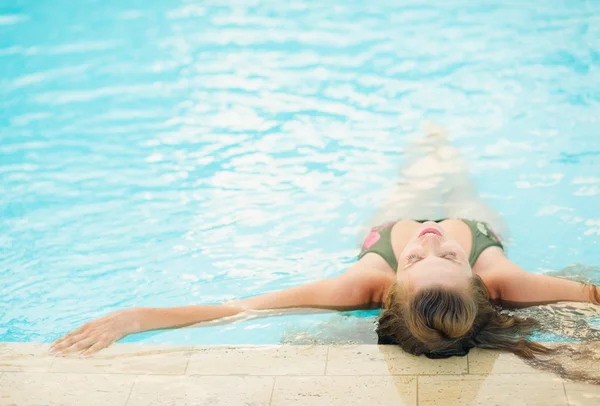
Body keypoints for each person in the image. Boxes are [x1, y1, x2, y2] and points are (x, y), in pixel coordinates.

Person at [50, 123, 600, 359]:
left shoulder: (363, 281)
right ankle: (439, 143)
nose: (431, 238)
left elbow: (237, 309)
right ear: (480, 280)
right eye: (439, 255)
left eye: (427, 256)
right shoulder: (505, 278)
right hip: (479, 229)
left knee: (414, 181)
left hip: (388, 227)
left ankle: (430, 144)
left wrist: (138, 317)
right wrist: (467, 243)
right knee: (454, 177)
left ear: (389, 288)